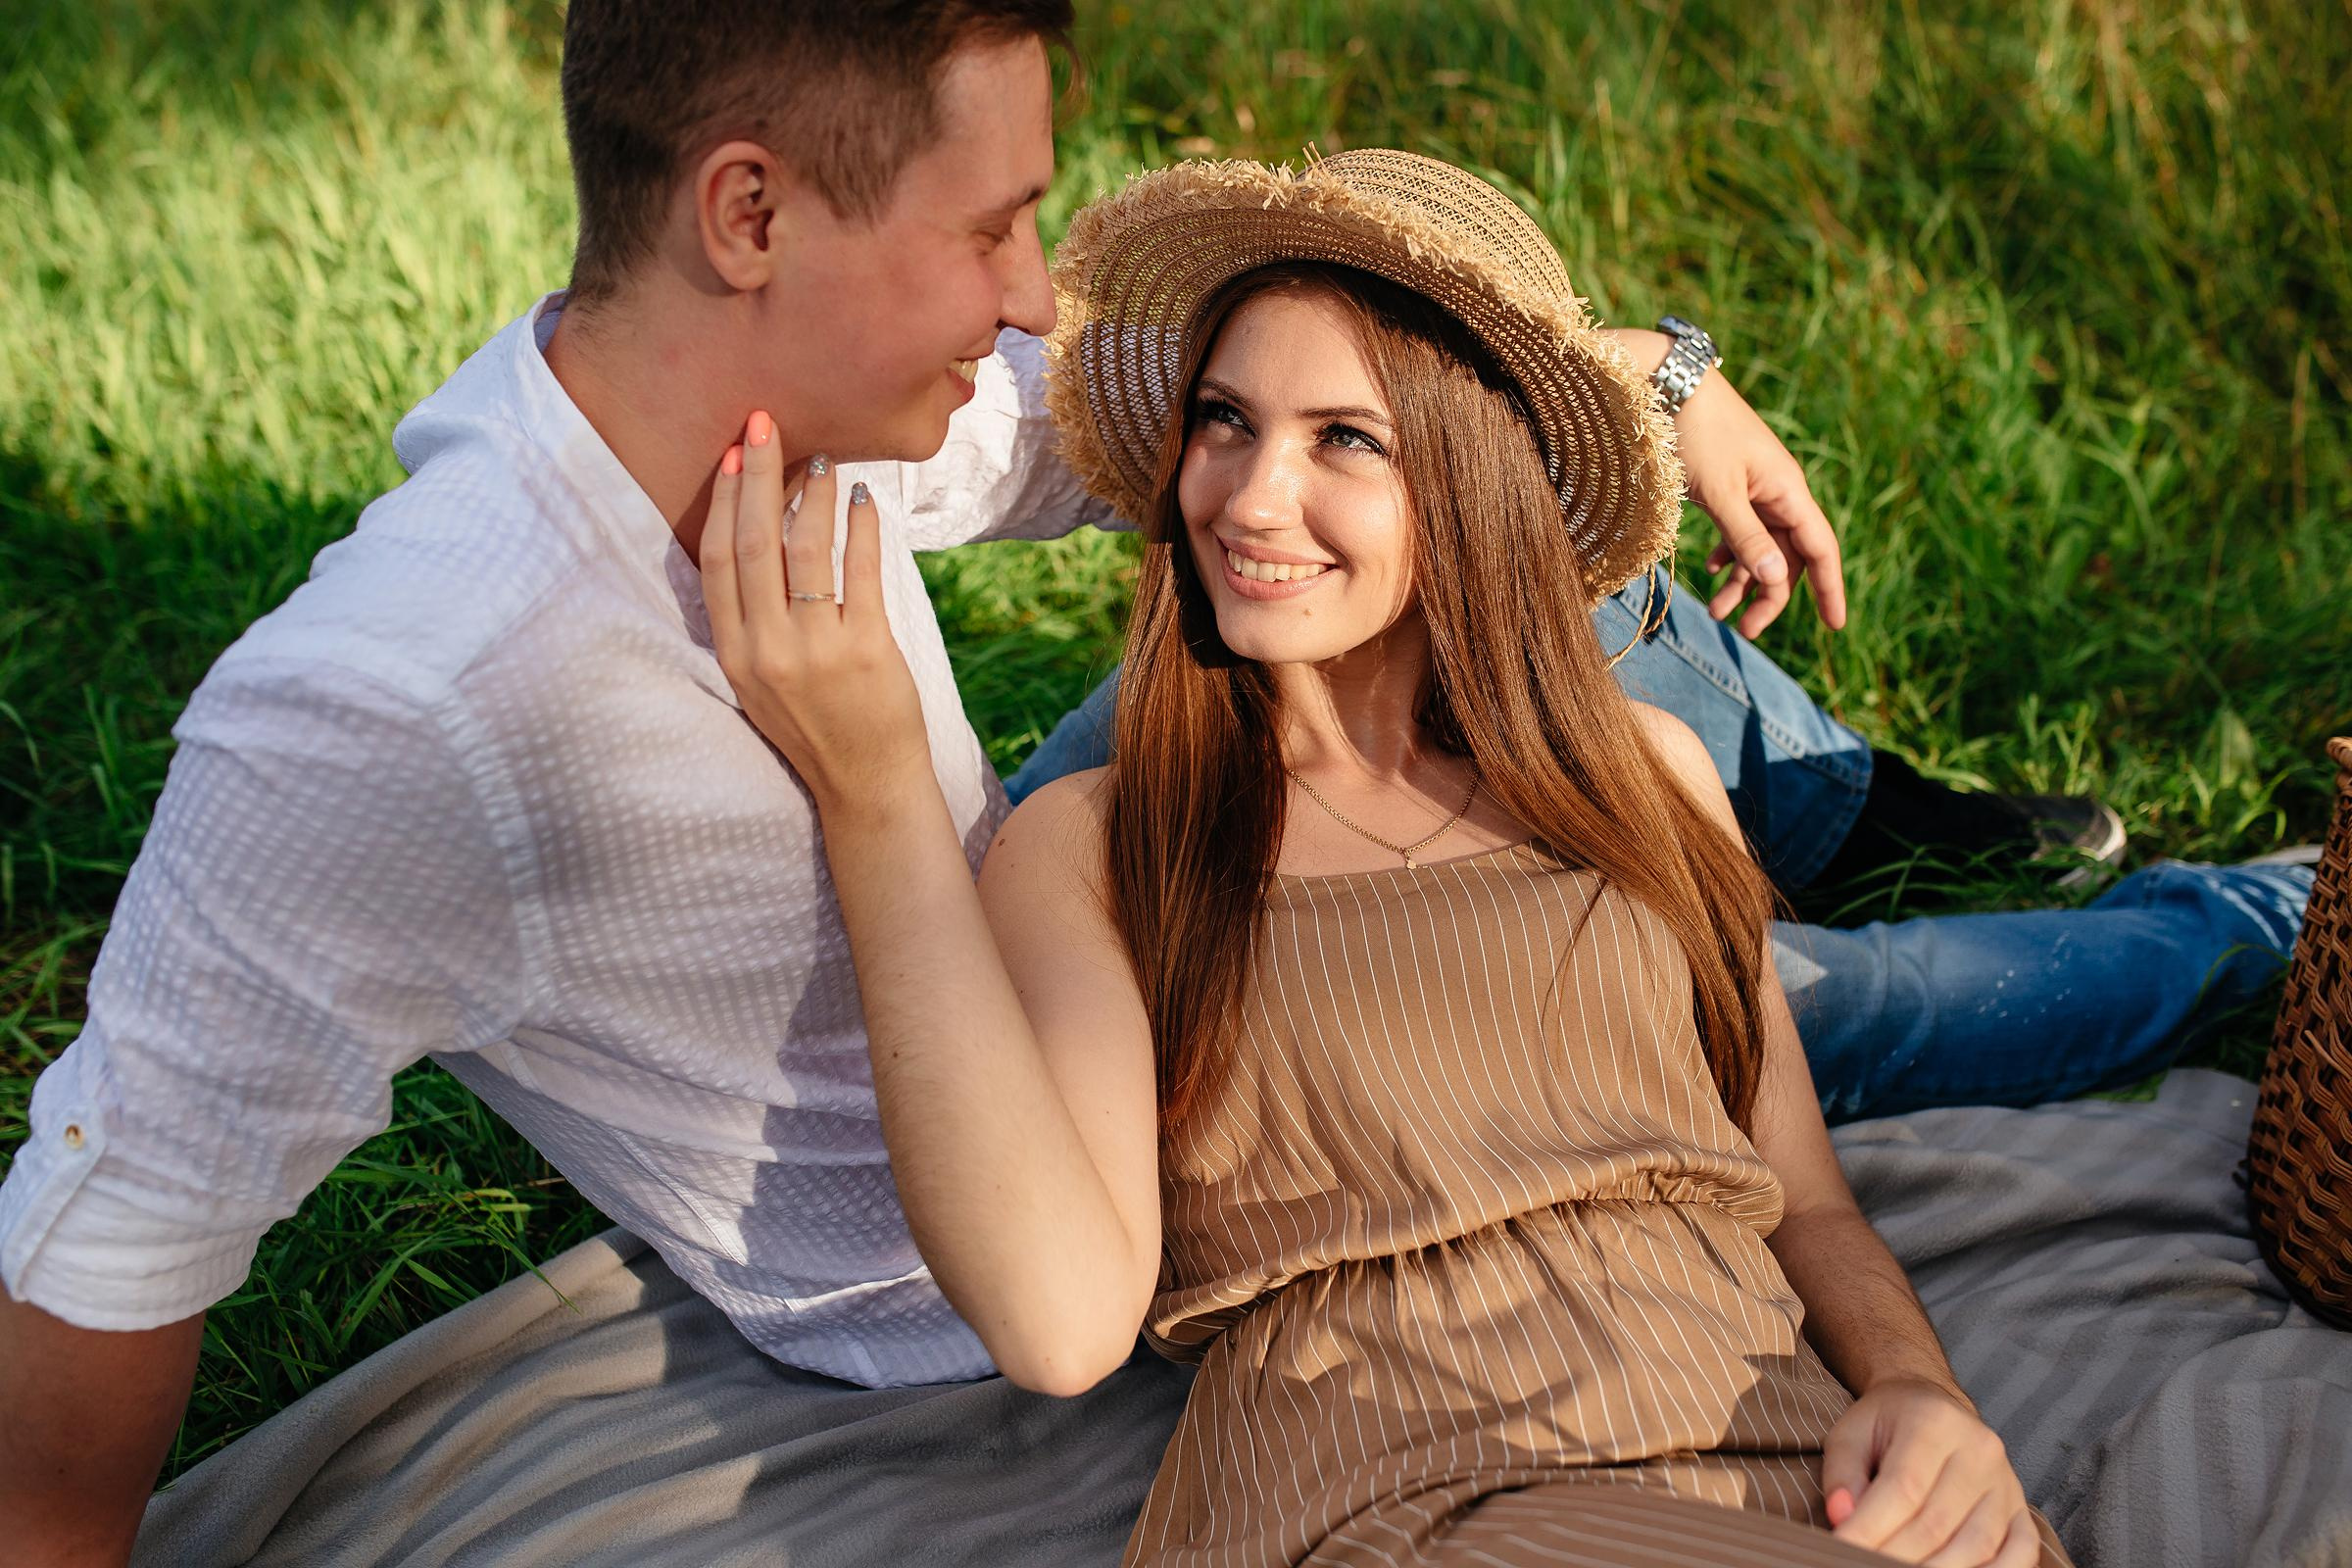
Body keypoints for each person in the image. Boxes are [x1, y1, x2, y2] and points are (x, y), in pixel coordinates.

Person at [0, 6, 1892, 1562]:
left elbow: (1229, 433)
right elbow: (112, 1218)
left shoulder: (819, 405)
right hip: (1041, 1192)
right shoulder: (392, 711)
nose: (1028, 300)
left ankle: (1822, 789)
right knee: (1872, 1012)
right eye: (993, 228)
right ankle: (2182, 922)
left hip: (1071, 942)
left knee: (1536, 703)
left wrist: (1644, 374)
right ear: (751, 216)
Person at [695, 149, 2082, 1565]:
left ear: (1470, 483)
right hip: (1398, 1506)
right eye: (1224, 422)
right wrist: (875, 802)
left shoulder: (1646, 782)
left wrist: (1919, 1391)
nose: (1246, 499)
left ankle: (2250, 913)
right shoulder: (1111, 845)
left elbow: (1807, 1202)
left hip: (1789, 1477)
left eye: (1344, 441)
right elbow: (1059, 1326)